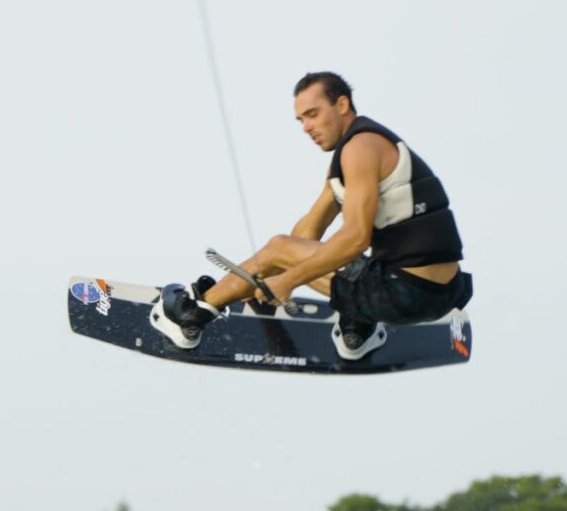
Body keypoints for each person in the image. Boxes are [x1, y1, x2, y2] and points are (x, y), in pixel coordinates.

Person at [150, 71, 472, 359]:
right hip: (442, 293)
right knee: (286, 249)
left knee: (286, 248)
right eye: (301, 120)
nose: (306, 127)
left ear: (342, 105)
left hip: (403, 292)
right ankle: (357, 330)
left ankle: (191, 315)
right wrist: (264, 278)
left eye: (313, 115)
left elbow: (356, 238)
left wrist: (287, 279)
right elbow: (304, 237)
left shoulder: (361, 148)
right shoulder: (353, 157)